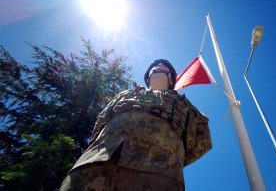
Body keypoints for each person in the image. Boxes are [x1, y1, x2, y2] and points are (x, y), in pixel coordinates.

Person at [60, 59, 212, 191]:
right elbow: (100, 122)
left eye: (165, 67)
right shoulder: (124, 94)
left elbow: (202, 139)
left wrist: (171, 158)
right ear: (147, 77)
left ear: (172, 79)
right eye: (155, 65)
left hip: (158, 174)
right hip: (95, 164)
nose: (159, 65)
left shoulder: (185, 105)